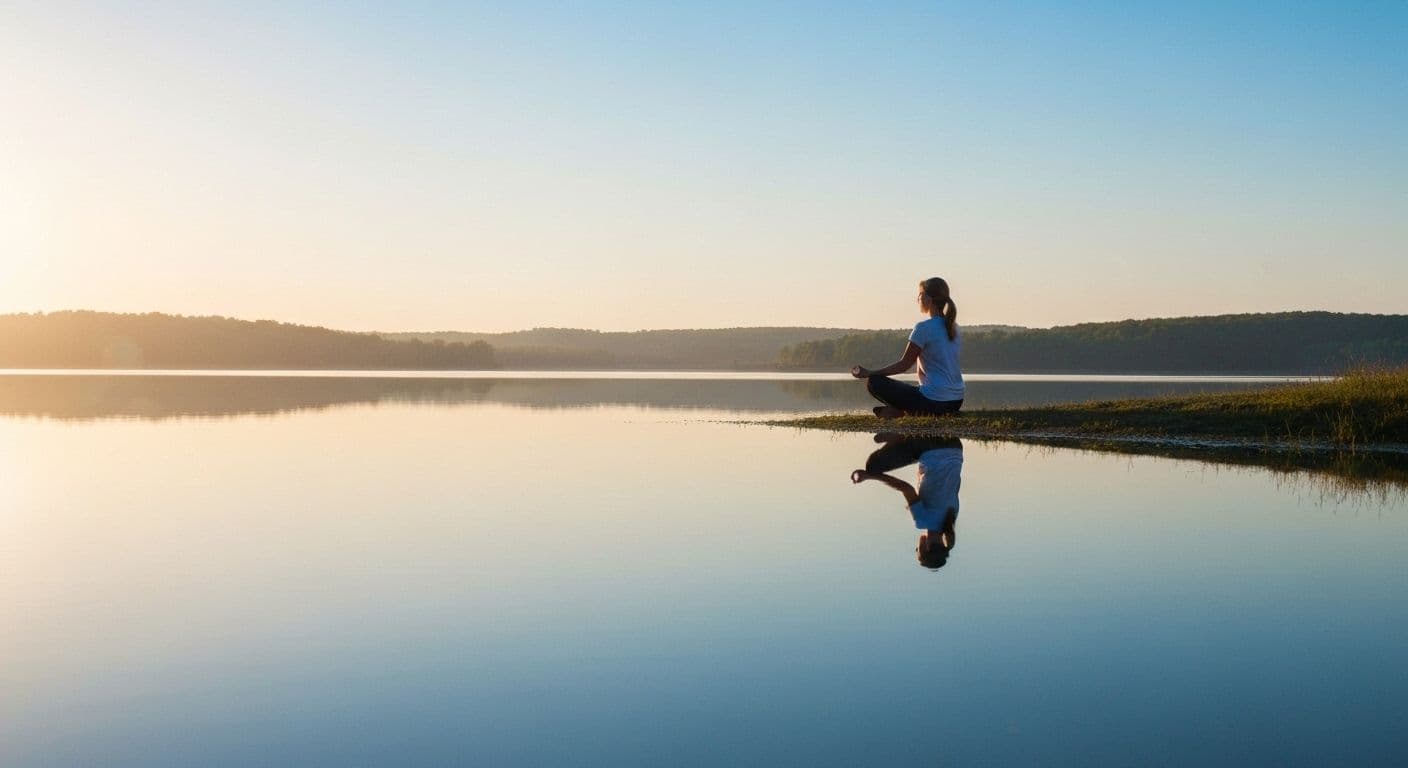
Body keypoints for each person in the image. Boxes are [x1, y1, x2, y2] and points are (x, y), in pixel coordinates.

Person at [850, 277, 964, 418]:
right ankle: (903, 410)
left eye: (920, 294)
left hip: (935, 402)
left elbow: (903, 365)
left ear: (928, 298)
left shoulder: (924, 328)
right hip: (956, 401)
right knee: (916, 390)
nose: (918, 298)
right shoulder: (954, 328)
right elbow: (923, 368)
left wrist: (870, 373)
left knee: (875, 382)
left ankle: (902, 411)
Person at [851, 434, 964, 570]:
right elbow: (906, 488)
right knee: (873, 465)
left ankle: (905, 437)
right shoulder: (923, 520)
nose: (917, 548)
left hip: (955, 446)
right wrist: (870, 476)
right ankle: (901, 435)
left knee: (915, 458)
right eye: (918, 551)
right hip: (932, 446)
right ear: (927, 547)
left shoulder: (951, 515)